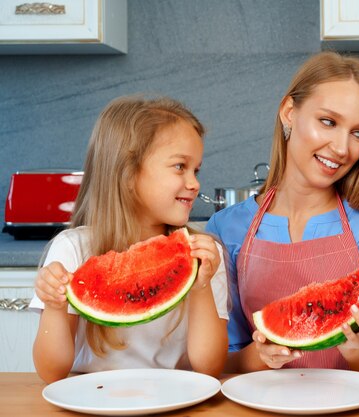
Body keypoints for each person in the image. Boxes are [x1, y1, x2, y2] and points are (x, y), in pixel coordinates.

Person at [206, 51, 359, 374]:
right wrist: (260, 356)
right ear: (289, 112)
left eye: (358, 133)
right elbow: (220, 359)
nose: (342, 148)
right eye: (328, 122)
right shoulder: (227, 228)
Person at [30, 95, 229, 383]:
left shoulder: (203, 254)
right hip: (91, 399)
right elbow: (52, 372)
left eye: (196, 170)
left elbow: (208, 367)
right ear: (127, 173)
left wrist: (201, 287)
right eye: (179, 167)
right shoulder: (73, 249)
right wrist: (55, 308)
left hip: (176, 398)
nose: (194, 183)